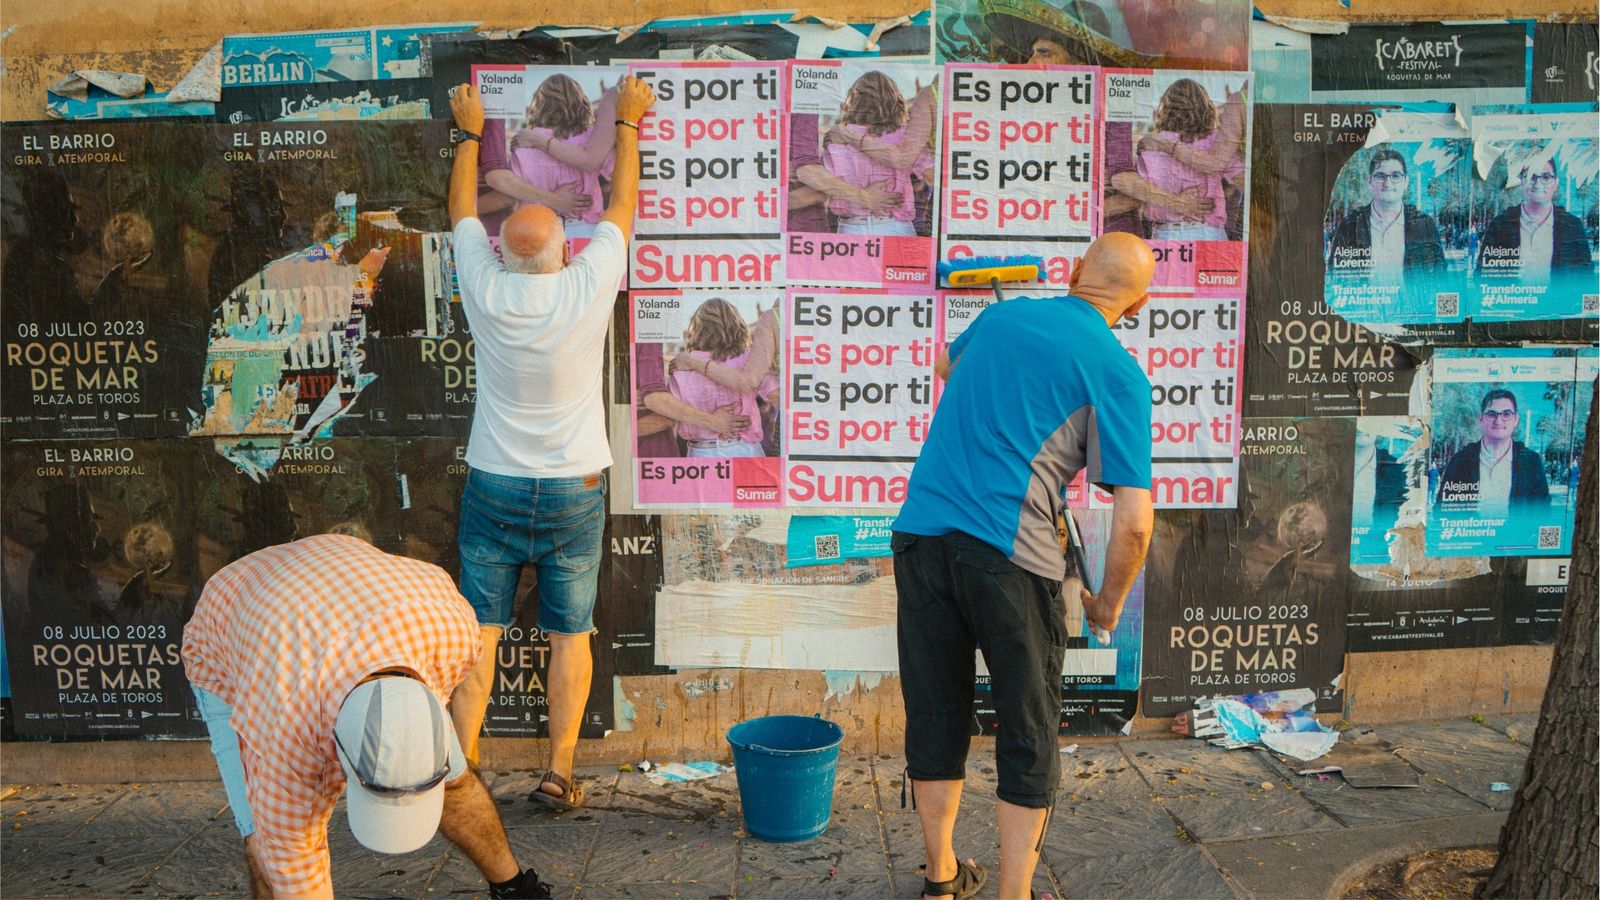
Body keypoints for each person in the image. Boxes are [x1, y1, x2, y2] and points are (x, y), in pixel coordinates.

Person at [891, 233, 1157, 900]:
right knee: (1029, 728)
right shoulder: (1117, 371)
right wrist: (1107, 605)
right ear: (1139, 304)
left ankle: (941, 878)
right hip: (1012, 558)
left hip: (920, 535)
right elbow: (1135, 523)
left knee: (936, 713)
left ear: (1072, 273)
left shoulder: (1002, 316)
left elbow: (948, 370)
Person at [444, 77, 654, 810]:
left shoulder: (484, 286)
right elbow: (622, 208)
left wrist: (469, 134)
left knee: (481, 635)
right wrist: (626, 121)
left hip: (494, 484)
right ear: (566, 255)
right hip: (574, 490)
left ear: (502, 257)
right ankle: (560, 771)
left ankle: (461, 770)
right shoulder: (585, 285)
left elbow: (462, 212)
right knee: (572, 635)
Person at [181, 534, 553, 899]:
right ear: (336, 755)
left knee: (454, 781)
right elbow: (297, 866)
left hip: (350, 591)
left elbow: (409, 713)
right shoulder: (282, 728)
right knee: (266, 841)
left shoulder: (455, 634)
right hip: (233, 623)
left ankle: (516, 891)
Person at [820, 73, 935, 236]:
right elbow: (932, 175)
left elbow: (825, 185)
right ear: (894, 101)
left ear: (854, 102)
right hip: (896, 226)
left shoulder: (838, 137)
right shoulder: (906, 136)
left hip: (851, 228)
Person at [1133, 81, 1246, 241]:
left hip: (1166, 234)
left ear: (1166, 110)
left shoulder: (1152, 144)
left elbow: (1141, 196)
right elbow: (1242, 178)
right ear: (1206, 108)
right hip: (1209, 233)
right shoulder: (1218, 142)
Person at [508, 76, 619, 232]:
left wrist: (551, 200)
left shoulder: (523, 143)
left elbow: (513, 195)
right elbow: (618, 178)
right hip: (586, 225)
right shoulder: (594, 140)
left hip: (537, 226)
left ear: (539, 106)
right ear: (581, 103)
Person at [667, 298, 769, 458]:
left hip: (701, 452)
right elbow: (775, 395)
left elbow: (672, 418)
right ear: (737, 325)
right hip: (747, 450)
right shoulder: (750, 360)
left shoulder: (681, 366)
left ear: (697, 328)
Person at [1327, 149, 1446, 285]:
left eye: (1395, 176)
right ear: (1370, 181)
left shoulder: (1425, 225)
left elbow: (1440, 279)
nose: (1388, 183)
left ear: (1405, 181)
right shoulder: (1350, 225)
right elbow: (1335, 278)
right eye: (1380, 176)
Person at [1476, 156, 1595, 284]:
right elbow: (1481, 275)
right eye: (1531, 176)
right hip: (1512, 303)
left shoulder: (1572, 227)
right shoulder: (1499, 226)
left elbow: (1586, 278)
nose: (1538, 184)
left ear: (1556, 182)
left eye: (1546, 177)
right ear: (1521, 181)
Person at [1436, 389, 1551, 515]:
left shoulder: (1531, 462)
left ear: (1516, 419)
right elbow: (1441, 510)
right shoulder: (1460, 461)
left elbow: (1543, 511)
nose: (1498, 421)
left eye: (1506, 414)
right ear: (1481, 418)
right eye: (1492, 414)